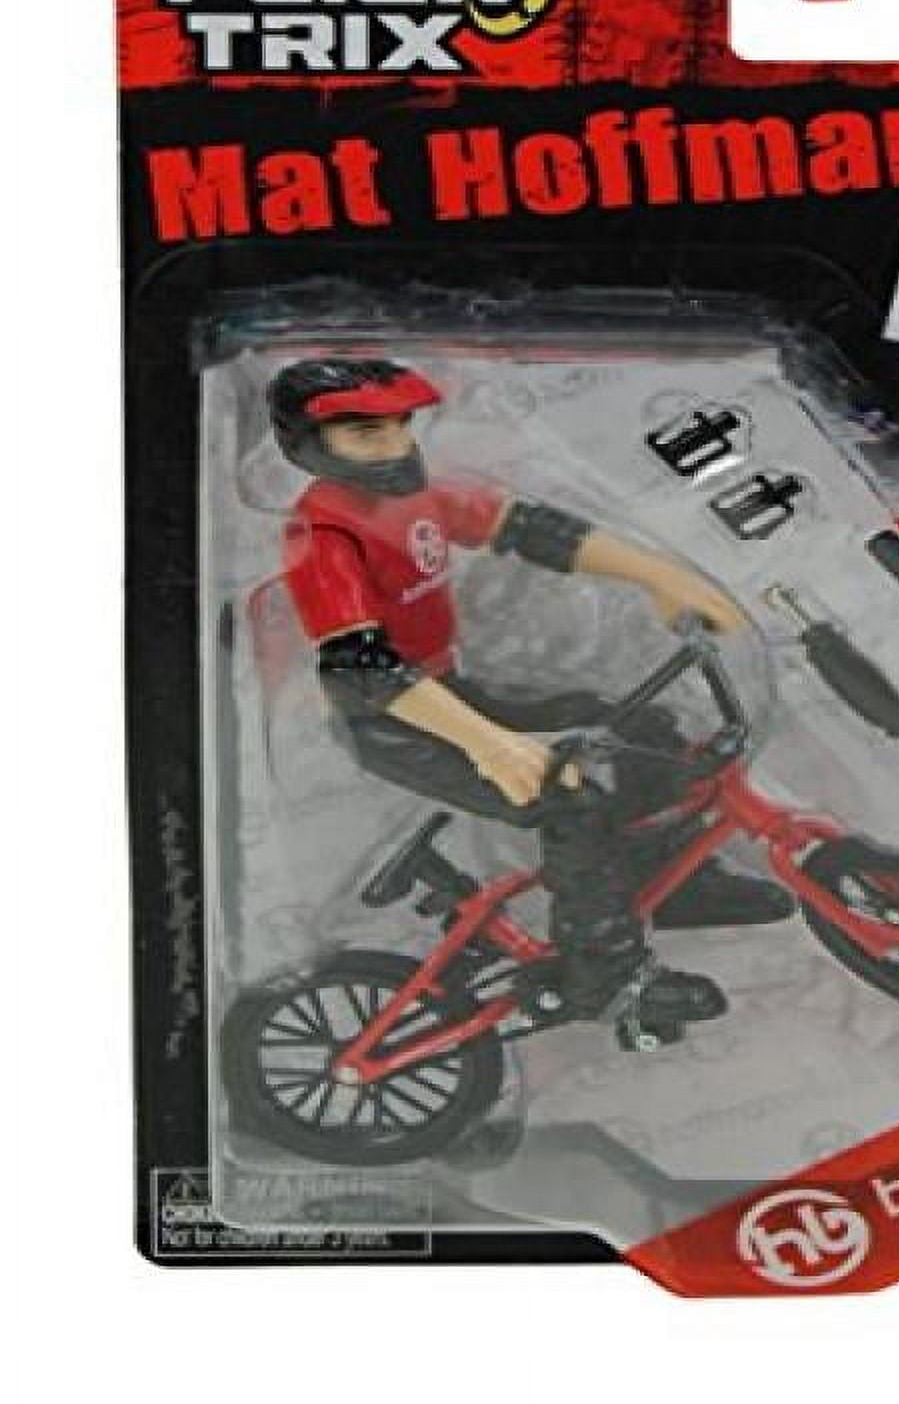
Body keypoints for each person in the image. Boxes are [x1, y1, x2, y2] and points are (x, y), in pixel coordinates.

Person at [268, 356, 794, 1039]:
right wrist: (494, 747)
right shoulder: (323, 536)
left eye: (400, 425)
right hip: (392, 721)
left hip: (446, 687)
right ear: (310, 445)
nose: (394, 446)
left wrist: (661, 577)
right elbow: (364, 671)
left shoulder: (414, 497)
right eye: (367, 433)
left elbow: (531, 529)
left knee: (642, 727)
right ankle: (603, 975)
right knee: (571, 802)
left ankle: (675, 881)